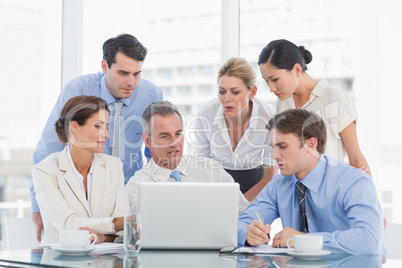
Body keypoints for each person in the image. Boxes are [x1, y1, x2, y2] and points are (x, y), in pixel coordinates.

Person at [30, 33, 163, 241]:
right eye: (123, 73)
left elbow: (155, 151)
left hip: (129, 191)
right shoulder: (78, 90)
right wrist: (39, 203)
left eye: (137, 74)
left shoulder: (151, 94)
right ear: (104, 66)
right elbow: (50, 146)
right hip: (83, 192)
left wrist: (159, 195)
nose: (131, 82)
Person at [238, 109, 384, 255]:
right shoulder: (278, 185)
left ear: (311, 144)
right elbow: (240, 225)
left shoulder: (353, 182)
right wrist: (248, 234)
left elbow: (369, 240)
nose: (274, 155)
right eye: (273, 147)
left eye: (282, 146)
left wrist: (304, 240)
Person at [258, 39, 371, 177]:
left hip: (329, 192)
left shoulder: (334, 97)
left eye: (275, 79)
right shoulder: (283, 102)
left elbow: (356, 160)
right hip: (294, 191)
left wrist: (369, 195)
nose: (270, 88)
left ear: (297, 70)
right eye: (266, 81)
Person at [33, 95, 130, 245]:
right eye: (98, 126)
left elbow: (125, 232)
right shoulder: (45, 170)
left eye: (107, 127)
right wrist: (115, 224)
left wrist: (103, 236)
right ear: (75, 127)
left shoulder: (114, 166)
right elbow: (67, 226)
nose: (107, 134)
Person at [125, 101, 249, 212]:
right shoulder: (137, 188)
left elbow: (244, 212)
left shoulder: (211, 171)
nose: (175, 143)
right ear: (147, 141)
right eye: (165, 136)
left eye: (178, 134)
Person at [192, 57, 277, 202]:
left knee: (249, 223)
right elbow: (201, 167)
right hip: (216, 183)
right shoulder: (206, 113)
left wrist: (241, 207)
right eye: (222, 91)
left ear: (252, 92)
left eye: (235, 92)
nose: (226, 99)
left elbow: (270, 176)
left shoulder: (269, 116)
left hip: (257, 184)